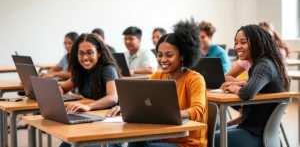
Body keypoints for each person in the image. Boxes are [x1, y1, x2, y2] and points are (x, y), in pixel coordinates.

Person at [107, 18, 208, 147]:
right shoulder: (157, 76)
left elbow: (198, 111)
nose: (163, 60)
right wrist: (126, 109)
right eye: (160, 55)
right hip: (163, 137)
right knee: (126, 141)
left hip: (187, 142)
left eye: (169, 55)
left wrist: (169, 114)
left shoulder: (195, 78)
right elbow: (142, 101)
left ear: (182, 56)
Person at [216, 24, 289, 147]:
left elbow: (247, 93)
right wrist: (241, 83)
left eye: (243, 42)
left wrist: (233, 87)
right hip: (252, 129)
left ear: (256, 43)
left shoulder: (264, 65)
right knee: (212, 133)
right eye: (236, 43)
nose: (237, 47)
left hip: (257, 135)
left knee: (209, 138)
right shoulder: (260, 64)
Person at [58, 34, 123, 147]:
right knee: (66, 145)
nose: (85, 58)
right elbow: (63, 87)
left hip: (110, 126)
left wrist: (89, 106)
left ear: (99, 53)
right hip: (92, 120)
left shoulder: (108, 69)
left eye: (89, 52)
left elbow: (112, 98)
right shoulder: (81, 71)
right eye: (81, 53)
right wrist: (58, 90)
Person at [225, 21, 290, 82]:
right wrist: (245, 82)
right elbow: (228, 76)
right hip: (254, 91)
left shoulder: (271, 57)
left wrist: (247, 83)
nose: (264, 38)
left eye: (243, 42)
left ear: (273, 34)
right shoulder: (247, 55)